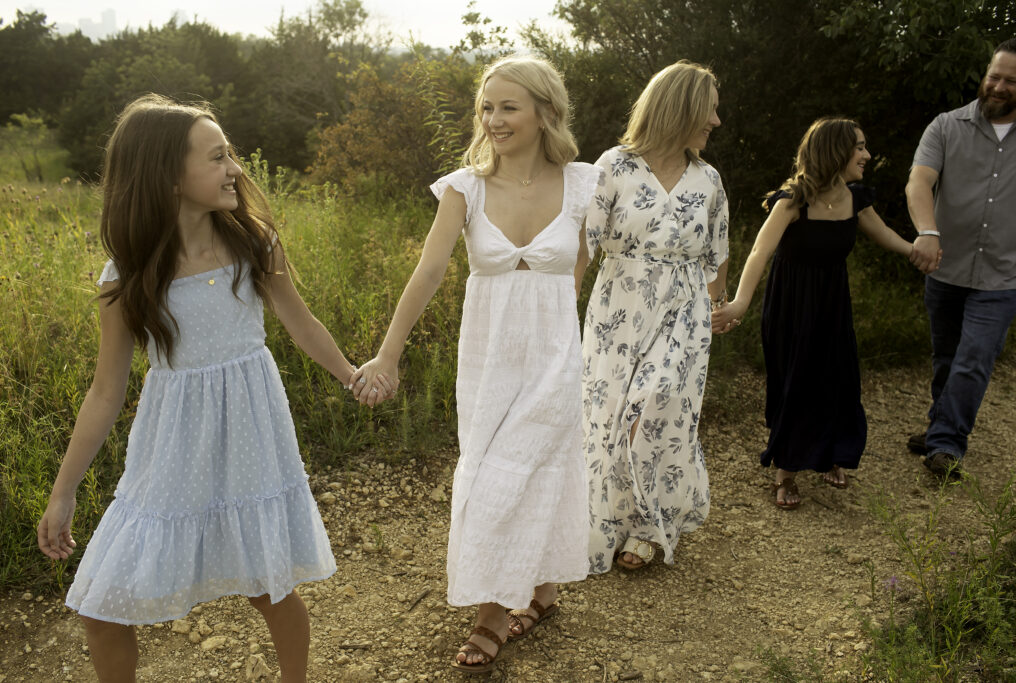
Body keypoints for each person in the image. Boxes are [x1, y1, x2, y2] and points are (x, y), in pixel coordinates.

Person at [36, 94, 391, 682]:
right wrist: (63, 490)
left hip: (252, 433)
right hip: (171, 447)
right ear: (169, 179)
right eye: (218, 157)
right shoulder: (125, 277)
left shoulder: (253, 245)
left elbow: (301, 323)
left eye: (232, 155)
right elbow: (105, 391)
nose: (236, 170)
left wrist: (352, 374)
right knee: (100, 607)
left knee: (268, 587)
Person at [351, 56, 598, 673]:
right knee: (496, 471)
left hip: (555, 357)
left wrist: (559, 309)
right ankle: (541, 592)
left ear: (545, 112)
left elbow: (582, 259)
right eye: (487, 107)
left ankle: (491, 617)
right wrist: (389, 351)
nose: (493, 119)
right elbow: (430, 270)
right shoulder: (464, 187)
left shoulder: (584, 183)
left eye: (508, 107)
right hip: (488, 361)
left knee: (527, 471)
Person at [713, 118, 930, 508]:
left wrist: (915, 249)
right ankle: (786, 472)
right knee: (797, 379)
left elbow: (882, 234)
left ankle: (830, 453)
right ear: (836, 151)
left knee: (837, 377)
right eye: (859, 147)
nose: (866, 155)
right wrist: (740, 303)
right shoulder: (793, 200)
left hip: (833, 302)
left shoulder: (855, 199)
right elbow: (760, 252)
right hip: (791, 304)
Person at [582, 60, 729, 572]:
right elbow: (583, 246)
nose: (716, 121)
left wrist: (720, 304)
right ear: (682, 108)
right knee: (612, 418)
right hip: (616, 312)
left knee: (658, 404)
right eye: (710, 110)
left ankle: (651, 526)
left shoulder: (708, 179)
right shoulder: (614, 167)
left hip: (685, 308)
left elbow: (717, 251)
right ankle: (615, 521)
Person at [905, 37, 1016, 480]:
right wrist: (928, 231)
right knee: (947, 357)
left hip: (1005, 274)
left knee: (974, 359)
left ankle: (946, 444)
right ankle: (942, 424)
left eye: (1012, 81)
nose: (998, 86)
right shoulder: (946, 126)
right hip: (946, 267)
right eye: (994, 75)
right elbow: (919, 181)